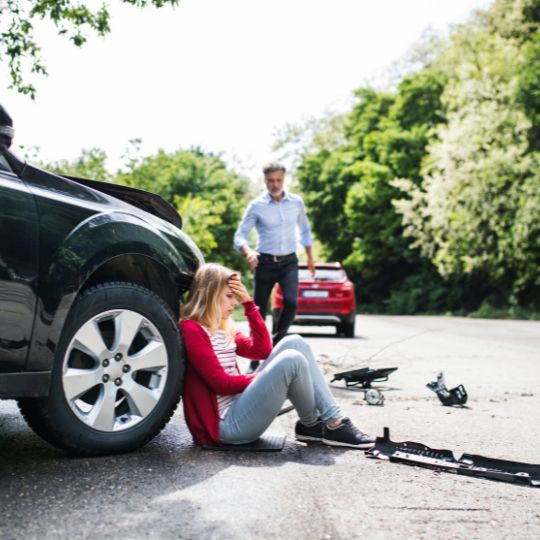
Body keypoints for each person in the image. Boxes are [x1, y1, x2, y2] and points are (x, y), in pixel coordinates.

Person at [179, 262, 376, 449]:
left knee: (295, 342)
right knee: (291, 360)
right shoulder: (192, 329)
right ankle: (324, 423)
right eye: (229, 296)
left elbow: (262, 351)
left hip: (239, 408)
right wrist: (268, 379)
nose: (235, 302)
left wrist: (249, 305)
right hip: (225, 427)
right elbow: (220, 384)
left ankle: (320, 423)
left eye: (236, 297)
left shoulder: (223, 329)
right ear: (210, 295)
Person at [234, 162, 316, 360]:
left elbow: (305, 230)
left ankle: (276, 344)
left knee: (291, 302)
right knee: (259, 311)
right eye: (271, 180)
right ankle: (257, 353)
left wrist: (310, 257)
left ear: (284, 179)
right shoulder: (257, 206)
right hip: (265, 263)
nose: (275, 184)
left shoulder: (296, 203)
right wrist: (248, 251)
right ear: (265, 180)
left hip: (289, 261)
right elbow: (240, 236)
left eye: (278, 180)